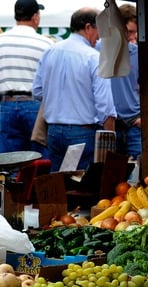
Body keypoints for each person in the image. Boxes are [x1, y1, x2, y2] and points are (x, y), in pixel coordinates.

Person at [32, 7, 116, 172]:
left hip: (54, 130)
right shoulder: (93, 57)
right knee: (83, 189)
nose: (100, 36)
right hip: (82, 132)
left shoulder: (49, 51)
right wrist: (110, 142)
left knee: (57, 186)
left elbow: (37, 91)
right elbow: (105, 106)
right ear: (88, 27)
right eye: (100, 29)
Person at [0, 0, 53, 156]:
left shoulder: (1, 41)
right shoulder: (46, 43)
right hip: (35, 106)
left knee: (9, 161)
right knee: (40, 160)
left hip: (5, 106)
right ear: (35, 17)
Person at [97, 4, 141, 160]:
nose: (132, 37)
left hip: (133, 124)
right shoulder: (96, 51)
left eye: (135, 32)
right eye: (129, 32)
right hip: (106, 125)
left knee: (140, 175)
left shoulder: (137, 53)